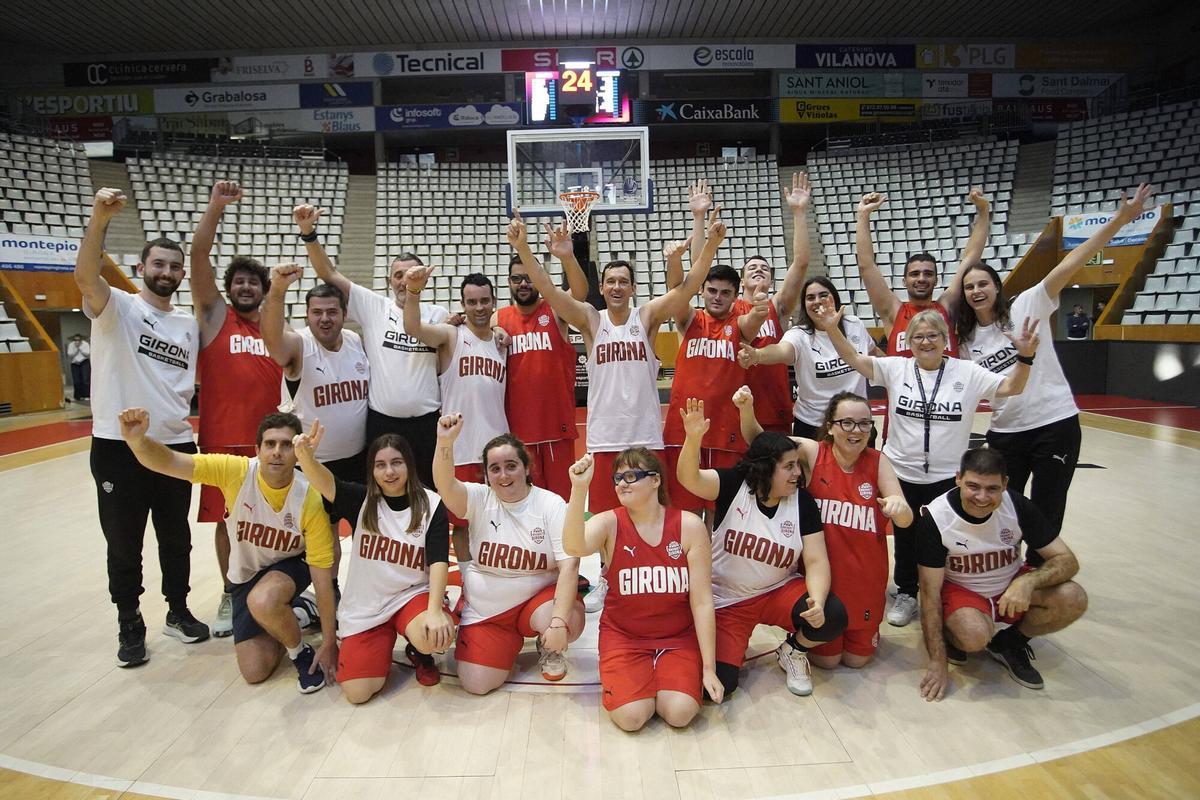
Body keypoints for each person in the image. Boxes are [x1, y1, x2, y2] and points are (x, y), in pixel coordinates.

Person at [953, 186, 1152, 562]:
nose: (976, 290)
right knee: (1001, 506)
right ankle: (1000, 569)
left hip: (1053, 423)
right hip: (1005, 432)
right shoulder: (964, 340)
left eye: (983, 283)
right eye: (969, 287)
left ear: (997, 286)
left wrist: (1119, 221)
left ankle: (1037, 574)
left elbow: (1071, 264)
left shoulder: (1028, 303)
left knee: (1046, 509)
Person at [811, 304, 1038, 628]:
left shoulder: (967, 373)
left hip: (947, 475)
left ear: (945, 339)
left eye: (933, 335)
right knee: (905, 535)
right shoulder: (896, 368)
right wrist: (833, 328)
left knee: (946, 538)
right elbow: (855, 360)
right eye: (918, 336)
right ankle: (906, 592)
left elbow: (1010, 387)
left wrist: (1025, 358)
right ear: (909, 341)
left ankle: (946, 594)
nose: (926, 341)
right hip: (902, 471)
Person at [507, 209, 726, 516]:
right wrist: (523, 249)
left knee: (652, 521)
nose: (617, 287)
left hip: (646, 438)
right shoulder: (590, 320)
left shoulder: (647, 317)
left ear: (633, 288)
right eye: (610, 281)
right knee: (606, 522)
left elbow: (688, 287)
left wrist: (711, 247)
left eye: (624, 281)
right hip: (604, 441)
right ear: (602, 288)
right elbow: (548, 290)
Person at [74, 188, 209, 668]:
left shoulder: (188, 326)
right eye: (159, 265)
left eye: (175, 267)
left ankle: (177, 609)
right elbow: (86, 276)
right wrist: (99, 219)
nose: (168, 273)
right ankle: (129, 620)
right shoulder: (119, 308)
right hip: (117, 447)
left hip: (174, 444)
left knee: (176, 536)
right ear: (141, 269)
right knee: (124, 539)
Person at [118, 408, 338, 692]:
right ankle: (297, 613)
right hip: (246, 577)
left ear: (297, 454)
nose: (277, 452)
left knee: (264, 600)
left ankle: (299, 653)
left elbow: (323, 577)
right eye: (270, 444)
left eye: (286, 445)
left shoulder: (309, 497)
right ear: (257, 449)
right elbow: (171, 461)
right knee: (255, 670)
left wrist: (330, 643)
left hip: (290, 567)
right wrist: (138, 442)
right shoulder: (235, 471)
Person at [675, 398, 849, 698]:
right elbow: (688, 478)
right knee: (718, 686)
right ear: (767, 469)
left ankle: (793, 651)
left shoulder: (802, 501)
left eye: (798, 465)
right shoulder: (734, 484)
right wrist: (692, 439)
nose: (798, 473)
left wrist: (817, 601)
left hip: (778, 591)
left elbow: (817, 560)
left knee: (832, 615)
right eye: (789, 466)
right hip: (728, 601)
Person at [735, 387, 911, 669]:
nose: (856, 430)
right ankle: (795, 646)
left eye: (864, 423)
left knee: (857, 661)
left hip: (866, 582)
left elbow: (904, 518)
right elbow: (761, 444)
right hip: (825, 584)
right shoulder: (814, 453)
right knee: (826, 662)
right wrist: (747, 410)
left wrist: (899, 508)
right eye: (847, 423)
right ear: (830, 427)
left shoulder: (879, 463)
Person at [562, 449, 721, 731]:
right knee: (633, 717)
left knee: (680, 713)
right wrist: (579, 490)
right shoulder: (610, 522)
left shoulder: (689, 526)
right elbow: (574, 547)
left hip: (677, 638)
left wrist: (709, 668)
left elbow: (702, 602)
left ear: (656, 480)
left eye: (632, 476)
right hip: (624, 638)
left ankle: (664, 679)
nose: (622, 483)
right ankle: (640, 682)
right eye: (618, 478)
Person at [293, 424, 455, 702]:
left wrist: (434, 611)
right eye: (381, 465)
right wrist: (306, 457)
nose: (389, 472)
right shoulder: (361, 500)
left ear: (409, 465)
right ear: (372, 470)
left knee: (435, 635)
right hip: (367, 604)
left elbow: (440, 561)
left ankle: (419, 649)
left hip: (410, 596)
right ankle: (383, 640)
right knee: (358, 693)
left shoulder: (431, 503)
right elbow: (323, 481)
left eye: (396, 463)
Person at [190, 180, 285, 637]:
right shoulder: (214, 316)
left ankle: (277, 590)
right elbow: (198, 259)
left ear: (264, 290)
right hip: (223, 440)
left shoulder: (272, 327)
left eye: (253, 281)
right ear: (229, 289)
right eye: (239, 281)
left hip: (270, 445)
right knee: (227, 525)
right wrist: (215, 208)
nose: (246, 286)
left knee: (277, 521)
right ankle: (232, 594)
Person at [295, 205, 448, 487]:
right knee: (382, 495)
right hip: (382, 423)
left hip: (427, 424)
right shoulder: (374, 306)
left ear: (424, 276)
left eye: (411, 273)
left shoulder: (438, 314)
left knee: (429, 494)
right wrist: (308, 233)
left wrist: (498, 327)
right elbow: (328, 273)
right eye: (398, 275)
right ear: (390, 281)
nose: (405, 280)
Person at [917, 448, 1088, 699]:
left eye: (992, 489)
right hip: (964, 593)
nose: (982, 497)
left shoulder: (1016, 505)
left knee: (1074, 597)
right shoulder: (937, 517)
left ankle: (1011, 642)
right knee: (974, 636)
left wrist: (1028, 582)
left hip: (1010, 584)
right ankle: (953, 636)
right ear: (958, 479)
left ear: (1005, 484)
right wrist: (937, 661)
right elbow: (929, 594)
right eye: (973, 486)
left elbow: (1067, 560)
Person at [433, 414, 586, 693]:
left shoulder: (550, 504)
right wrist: (445, 442)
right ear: (487, 474)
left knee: (566, 620)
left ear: (527, 469)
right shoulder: (480, 498)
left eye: (511, 466)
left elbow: (570, 566)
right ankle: (504, 643)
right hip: (487, 612)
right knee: (477, 684)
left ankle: (547, 642)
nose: (503, 475)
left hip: (537, 604)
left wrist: (558, 622)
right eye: (495, 468)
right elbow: (445, 485)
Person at [670, 175, 813, 434]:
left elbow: (801, 264)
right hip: (731, 412)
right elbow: (698, 272)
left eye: (765, 268)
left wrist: (800, 213)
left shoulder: (776, 307)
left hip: (771, 407)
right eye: (752, 267)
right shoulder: (726, 310)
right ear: (740, 282)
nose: (759, 269)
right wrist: (699, 218)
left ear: (771, 279)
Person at [403, 267, 507, 562]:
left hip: (495, 449)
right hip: (460, 450)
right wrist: (413, 292)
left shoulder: (501, 343)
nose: (478, 307)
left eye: (484, 301)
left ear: (493, 302)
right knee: (461, 524)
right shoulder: (451, 335)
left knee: (497, 521)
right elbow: (413, 328)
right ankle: (467, 580)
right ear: (463, 305)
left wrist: (501, 330)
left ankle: (496, 577)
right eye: (471, 302)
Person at [661, 262, 768, 515]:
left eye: (725, 292)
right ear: (702, 291)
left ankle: (715, 556)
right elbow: (676, 289)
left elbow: (753, 319)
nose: (717, 297)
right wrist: (674, 260)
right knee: (685, 510)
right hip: (684, 431)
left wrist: (761, 309)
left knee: (721, 510)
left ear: (735, 296)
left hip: (726, 433)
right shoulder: (689, 319)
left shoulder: (739, 324)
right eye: (712, 290)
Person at [260, 263, 368, 489]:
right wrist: (277, 290)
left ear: (345, 314)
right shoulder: (299, 344)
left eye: (332, 312)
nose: (325, 318)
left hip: (357, 460)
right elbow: (273, 340)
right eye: (317, 312)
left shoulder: (355, 341)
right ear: (307, 316)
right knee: (317, 525)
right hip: (311, 462)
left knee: (358, 523)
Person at [497, 245, 589, 500]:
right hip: (517, 432)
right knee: (526, 503)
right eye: (517, 278)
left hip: (555, 428)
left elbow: (580, 293)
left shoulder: (556, 310)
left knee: (560, 502)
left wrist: (568, 256)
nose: (523, 283)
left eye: (529, 277)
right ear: (509, 282)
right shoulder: (499, 318)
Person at [855, 188, 991, 356]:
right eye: (914, 274)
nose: (921, 278)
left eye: (928, 274)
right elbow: (866, 265)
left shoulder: (946, 308)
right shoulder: (893, 311)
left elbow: (971, 257)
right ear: (904, 281)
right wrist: (863, 216)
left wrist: (984, 210)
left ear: (936, 280)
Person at [740, 277, 876, 439]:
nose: (817, 301)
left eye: (823, 295)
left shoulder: (854, 325)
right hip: (811, 425)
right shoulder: (799, 334)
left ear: (834, 297)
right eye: (810, 298)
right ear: (804, 305)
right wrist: (757, 354)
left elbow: (874, 354)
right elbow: (781, 351)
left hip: (855, 422)